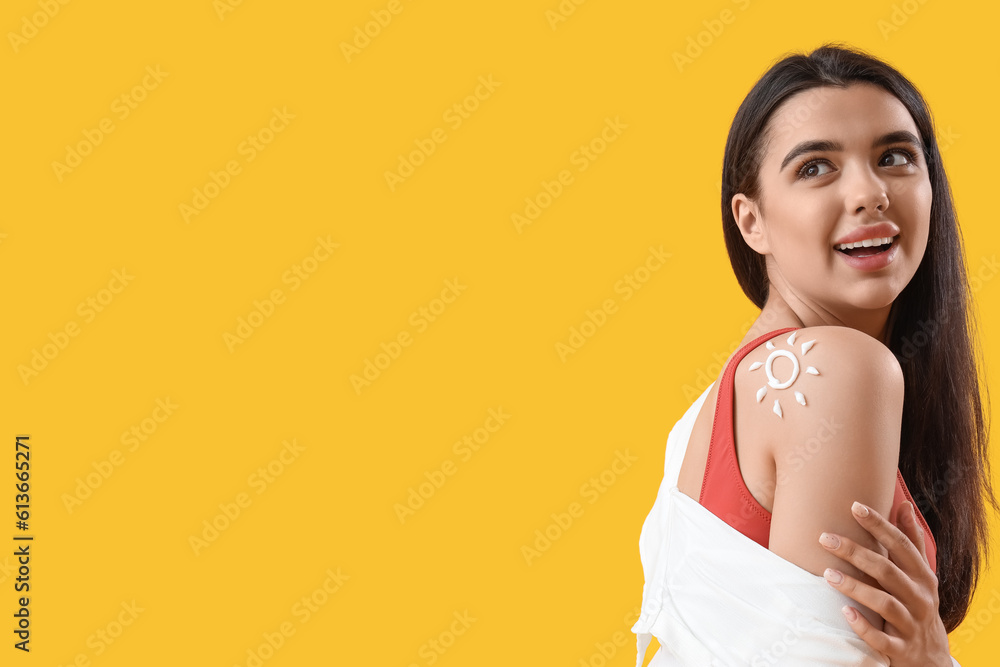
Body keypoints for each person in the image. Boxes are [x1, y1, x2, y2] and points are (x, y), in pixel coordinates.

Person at [631, 43, 996, 666]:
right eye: (815, 168)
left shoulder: (708, 409)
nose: (869, 192)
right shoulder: (838, 372)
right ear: (752, 223)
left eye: (896, 157)